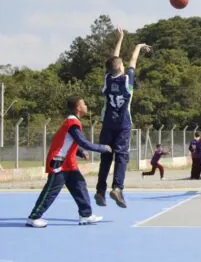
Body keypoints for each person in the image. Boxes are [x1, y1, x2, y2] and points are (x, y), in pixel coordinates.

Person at [26, 96, 112, 228]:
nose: (86, 106)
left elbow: (70, 142)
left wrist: (80, 152)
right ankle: (34, 217)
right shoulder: (72, 122)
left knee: (80, 186)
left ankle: (86, 215)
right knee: (51, 191)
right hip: (59, 163)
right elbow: (82, 141)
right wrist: (102, 148)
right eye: (84, 104)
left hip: (68, 163)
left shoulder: (73, 122)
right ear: (78, 108)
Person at [95, 27, 151, 209]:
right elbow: (132, 62)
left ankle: (100, 191)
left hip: (107, 124)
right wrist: (138, 47)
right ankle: (117, 188)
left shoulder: (108, 79)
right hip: (123, 124)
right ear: (121, 67)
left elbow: (113, 60)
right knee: (121, 156)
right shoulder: (128, 80)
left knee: (105, 157)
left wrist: (120, 39)